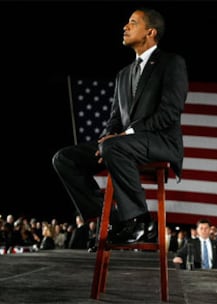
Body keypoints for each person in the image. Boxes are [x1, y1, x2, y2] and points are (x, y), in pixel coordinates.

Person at [52, 7, 188, 247]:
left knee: (114, 146)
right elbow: (115, 118)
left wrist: (123, 136)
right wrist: (107, 138)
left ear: (150, 32)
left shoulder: (171, 63)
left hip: (160, 142)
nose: (125, 27)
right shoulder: (123, 74)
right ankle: (114, 220)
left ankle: (140, 221)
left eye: (133, 23)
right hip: (121, 144)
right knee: (64, 158)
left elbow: (169, 113)